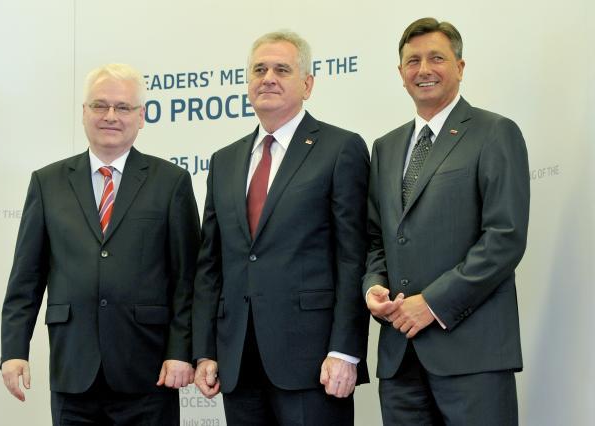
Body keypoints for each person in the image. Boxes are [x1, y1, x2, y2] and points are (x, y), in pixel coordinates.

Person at [0, 63, 200, 425]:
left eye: (122, 107)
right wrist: (14, 350)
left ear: (141, 116)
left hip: (148, 372)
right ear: (83, 113)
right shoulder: (47, 183)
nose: (110, 116)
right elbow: (26, 277)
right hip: (73, 370)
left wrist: (181, 351)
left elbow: (187, 279)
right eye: (99, 105)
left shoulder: (171, 182)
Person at [191, 31, 370, 426]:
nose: (268, 78)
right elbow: (210, 264)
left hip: (313, 362)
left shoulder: (340, 148)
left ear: (307, 84)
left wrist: (344, 350)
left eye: (281, 70)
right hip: (238, 361)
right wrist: (205, 350)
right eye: (259, 69)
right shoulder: (224, 161)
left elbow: (353, 258)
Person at [363, 17, 530, 425]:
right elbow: (376, 239)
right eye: (413, 61)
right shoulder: (385, 147)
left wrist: (432, 304)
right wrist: (373, 287)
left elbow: (504, 238)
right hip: (400, 360)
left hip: (473, 356)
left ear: (460, 66)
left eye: (436, 58)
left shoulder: (495, 132)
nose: (424, 69)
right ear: (400, 73)